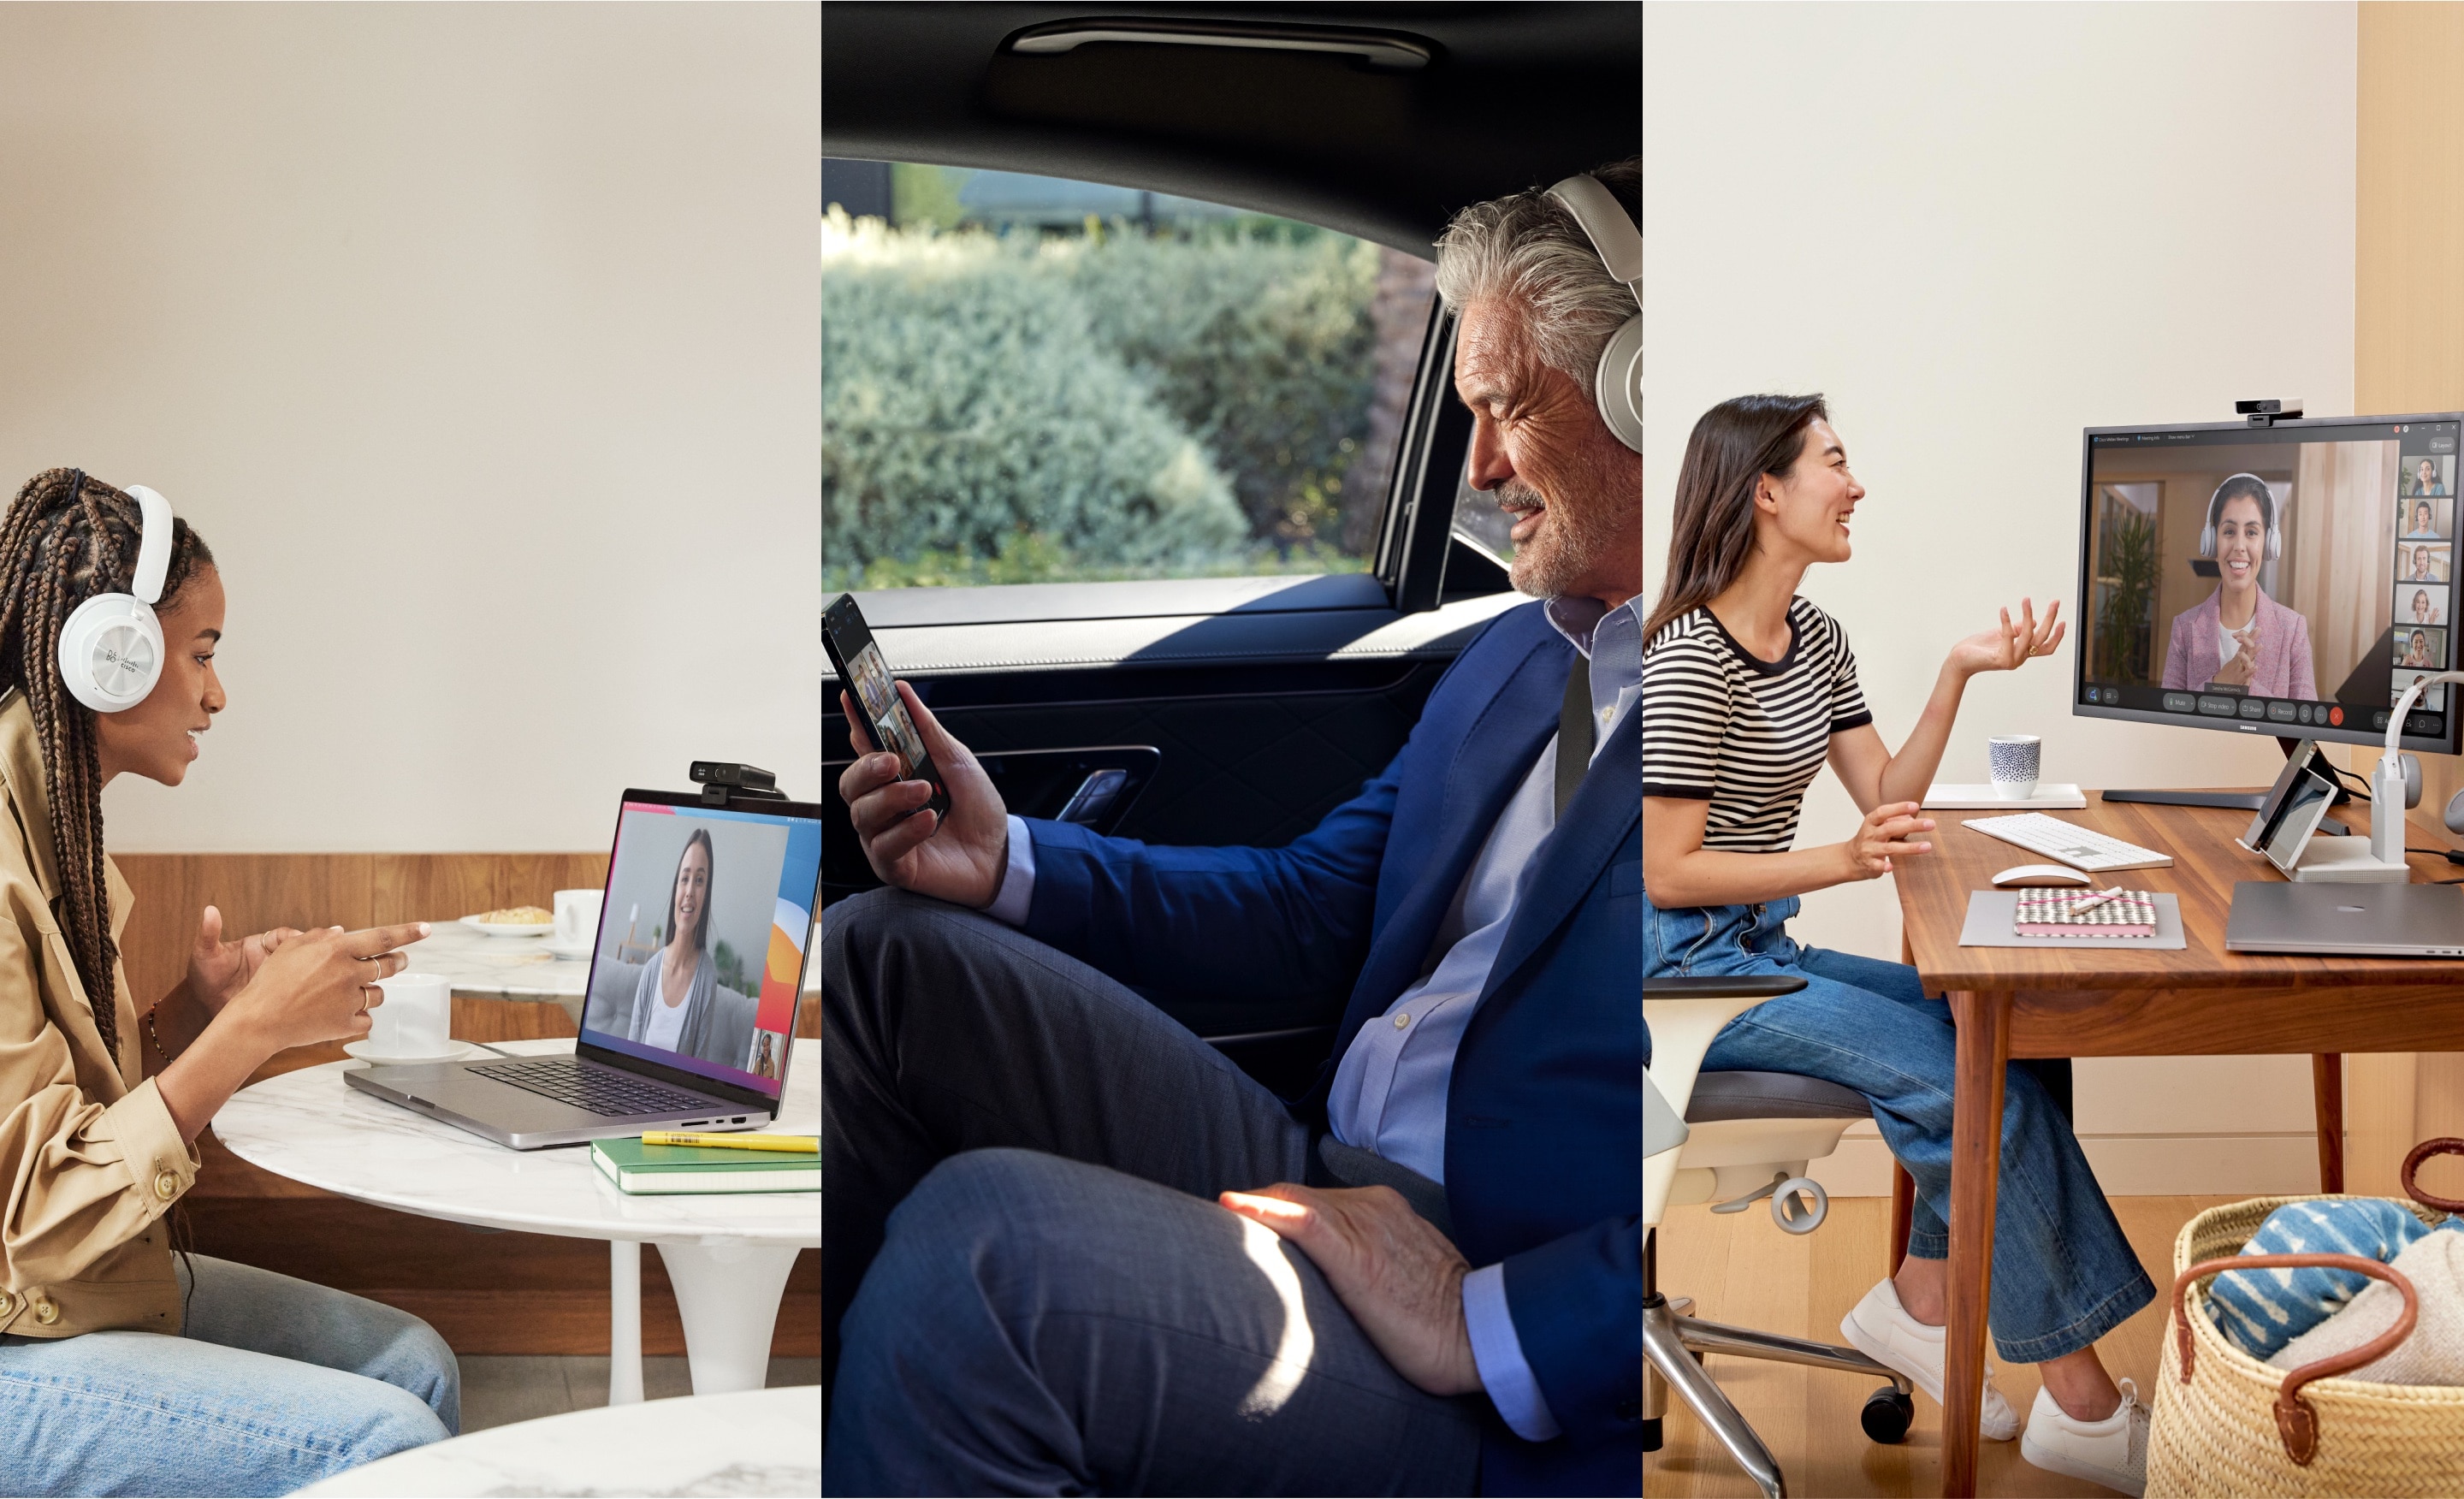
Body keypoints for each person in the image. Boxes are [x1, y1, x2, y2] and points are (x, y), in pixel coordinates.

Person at [822, 160, 1642, 1497]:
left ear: (1643, 392)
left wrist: (1492, 1317)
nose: (1481, 466)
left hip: (1489, 1309)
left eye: (1504, 408)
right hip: (1333, 1169)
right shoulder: (1511, 663)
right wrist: (1006, 861)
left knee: (980, 1267)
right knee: (883, 957)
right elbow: (1312, 909)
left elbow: (1745, 1129)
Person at [1643, 396, 2154, 1494]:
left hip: (1755, 951)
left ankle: (1921, 1301)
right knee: (1974, 1082)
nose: (1856, 483)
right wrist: (1839, 861)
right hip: (1677, 975)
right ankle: (2084, 1405)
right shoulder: (1692, 656)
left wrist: (1958, 674)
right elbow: (1664, 871)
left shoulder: (1814, 637)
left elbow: (1888, 799)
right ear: (1764, 491)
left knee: (2010, 1028)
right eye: (1835, 462)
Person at [0, 470, 451, 1496]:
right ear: (108, 659)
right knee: (385, 1441)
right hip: (16, 1324)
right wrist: (245, 1032)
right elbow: (33, 1223)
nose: (216, 693)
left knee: (414, 1362)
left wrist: (192, 1016)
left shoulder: (52, 821)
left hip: (60, 1284)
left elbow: (60, 1119)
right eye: (201, 655)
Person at [2159, 474, 2317, 698]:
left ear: (2268, 544)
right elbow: (2168, 721)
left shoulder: (2293, 631)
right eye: (2229, 531)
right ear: (2212, 543)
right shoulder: (2184, 629)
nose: (2239, 546)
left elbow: (2303, 732)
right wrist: (2219, 684)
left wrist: (2246, 688)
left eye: (2251, 532)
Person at [622, 830, 753, 1066]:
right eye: (685, 878)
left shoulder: (706, 978)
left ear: (706, 895)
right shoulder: (651, 970)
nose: (690, 891)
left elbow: (696, 1068)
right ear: (676, 889)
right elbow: (630, 1056)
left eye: (700, 880)